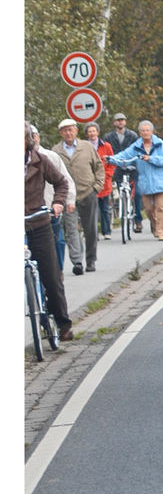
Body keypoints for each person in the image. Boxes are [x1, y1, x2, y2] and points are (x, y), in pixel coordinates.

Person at [25, 123, 74, 340]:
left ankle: (63, 324)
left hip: (38, 222)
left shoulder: (40, 159)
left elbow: (62, 183)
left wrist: (58, 203)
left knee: (52, 277)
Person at [53, 118, 105, 274]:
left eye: (71, 130)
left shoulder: (87, 147)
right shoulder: (56, 151)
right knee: (70, 230)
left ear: (76, 131)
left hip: (87, 192)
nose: (68, 133)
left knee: (90, 229)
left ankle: (90, 260)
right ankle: (77, 262)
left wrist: (97, 187)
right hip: (68, 196)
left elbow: (99, 167)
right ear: (61, 133)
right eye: (65, 130)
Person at [108, 121, 163, 240]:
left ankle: (161, 232)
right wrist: (111, 159)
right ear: (139, 133)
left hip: (160, 181)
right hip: (144, 182)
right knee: (148, 209)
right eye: (142, 131)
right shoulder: (136, 146)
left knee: (161, 208)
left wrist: (150, 158)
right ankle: (155, 225)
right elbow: (125, 155)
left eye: (147, 130)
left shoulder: (160, 145)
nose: (145, 133)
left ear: (151, 132)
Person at [31, 124, 75, 273]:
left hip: (50, 206)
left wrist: (68, 200)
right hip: (30, 212)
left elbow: (65, 180)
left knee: (57, 240)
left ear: (37, 137)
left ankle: (58, 271)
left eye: (33, 136)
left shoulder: (50, 156)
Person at [105, 112, 144, 232]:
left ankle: (138, 220)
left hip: (132, 168)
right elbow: (108, 151)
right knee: (121, 191)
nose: (120, 122)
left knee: (137, 193)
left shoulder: (132, 135)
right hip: (118, 169)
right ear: (114, 123)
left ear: (125, 122)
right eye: (118, 120)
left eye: (122, 120)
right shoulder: (109, 137)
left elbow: (138, 150)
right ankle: (123, 213)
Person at [85, 122, 114, 239]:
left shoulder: (106, 146)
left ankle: (106, 231)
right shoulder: (84, 146)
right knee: (92, 209)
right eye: (89, 131)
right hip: (89, 182)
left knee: (105, 208)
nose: (92, 133)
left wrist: (107, 175)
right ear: (87, 133)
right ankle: (94, 232)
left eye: (94, 131)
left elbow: (111, 162)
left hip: (104, 182)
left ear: (97, 132)